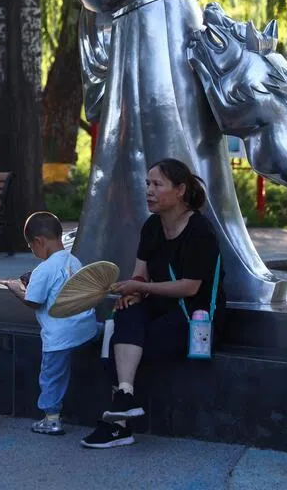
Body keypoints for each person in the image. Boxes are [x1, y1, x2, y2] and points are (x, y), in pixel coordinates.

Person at [13, 0, 284, 305]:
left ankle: (223, 260)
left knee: (203, 157)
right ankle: (132, 257)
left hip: (182, 59)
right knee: (160, 152)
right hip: (145, 65)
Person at [80, 158, 224, 449]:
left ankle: (118, 425)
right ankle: (124, 398)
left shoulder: (200, 231)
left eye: (157, 184)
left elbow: (190, 286)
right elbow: (140, 272)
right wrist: (133, 292)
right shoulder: (152, 226)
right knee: (124, 313)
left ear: (181, 190)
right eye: (147, 183)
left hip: (195, 318)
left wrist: (140, 287)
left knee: (118, 342)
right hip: (159, 309)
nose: (149, 190)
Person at [2, 212, 100, 436]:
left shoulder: (43, 269)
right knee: (96, 334)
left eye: (31, 246)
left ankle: (52, 419)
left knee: (51, 376)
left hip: (59, 337)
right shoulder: (75, 261)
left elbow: (33, 302)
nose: (33, 251)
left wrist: (15, 288)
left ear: (39, 241)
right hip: (86, 329)